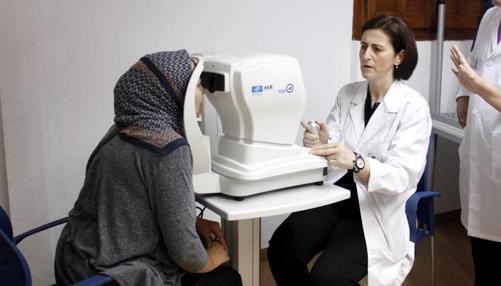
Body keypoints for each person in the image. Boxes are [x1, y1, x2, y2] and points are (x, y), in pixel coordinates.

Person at [54, 50, 242, 286]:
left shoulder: (119, 132)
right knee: (227, 278)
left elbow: (132, 207)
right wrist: (213, 259)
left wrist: (191, 221)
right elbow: (188, 257)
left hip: (74, 263)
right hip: (111, 277)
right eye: (197, 86)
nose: (202, 94)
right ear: (173, 93)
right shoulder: (168, 149)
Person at [267, 15, 431, 286]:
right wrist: (318, 144)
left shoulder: (413, 107)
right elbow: (332, 147)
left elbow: (403, 176)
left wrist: (356, 162)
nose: (366, 55)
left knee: (328, 278)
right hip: (336, 195)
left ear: (399, 57)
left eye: (377, 49)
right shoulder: (348, 94)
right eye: (363, 46)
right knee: (281, 248)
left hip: (376, 208)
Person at [451, 2, 501, 284]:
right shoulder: (491, 16)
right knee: (483, 255)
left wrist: (476, 86)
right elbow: (476, 62)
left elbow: (478, 78)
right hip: (481, 151)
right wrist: (463, 94)